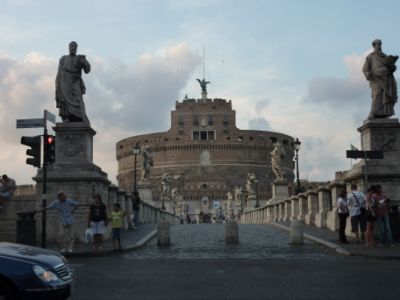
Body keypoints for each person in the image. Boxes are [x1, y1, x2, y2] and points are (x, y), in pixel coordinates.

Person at [55, 41, 91, 123]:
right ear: (69, 48)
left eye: (74, 47)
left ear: (76, 48)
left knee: (78, 99)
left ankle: (80, 117)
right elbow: (59, 72)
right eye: (71, 47)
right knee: (65, 99)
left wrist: (84, 62)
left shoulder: (79, 58)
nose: (73, 48)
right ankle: (67, 117)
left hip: (75, 81)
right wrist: (57, 85)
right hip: (64, 80)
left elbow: (87, 70)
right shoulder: (63, 58)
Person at [363, 39, 398, 120]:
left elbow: (393, 68)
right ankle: (373, 113)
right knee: (377, 95)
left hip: (387, 79)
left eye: (380, 44)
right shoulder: (370, 57)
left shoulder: (385, 57)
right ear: (374, 45)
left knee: (385, 96)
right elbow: (365, 69)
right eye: (378, 44)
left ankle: (384, 113)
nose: (379, 46)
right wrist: (368, 74)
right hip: (376, 79)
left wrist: (392, 65)